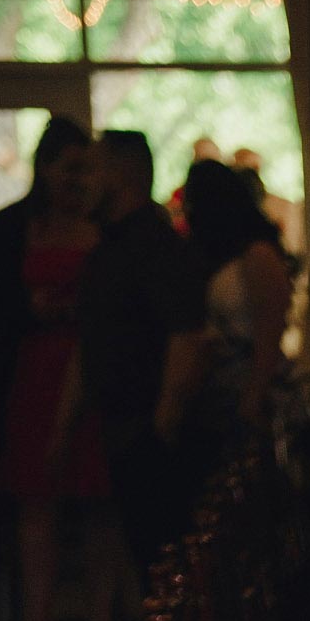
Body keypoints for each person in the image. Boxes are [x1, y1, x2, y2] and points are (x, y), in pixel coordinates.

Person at [0, 114, 117, 621]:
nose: (78, 181)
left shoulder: (107, 228)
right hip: (30, 376)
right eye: (69, 169)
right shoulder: (11, 226)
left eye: (87, 170)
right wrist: (30, 311)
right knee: (36, 503)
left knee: (99, 503)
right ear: (45, 169)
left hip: (93, 378)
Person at [70, 131, 209, 577]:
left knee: (166, 568)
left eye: (90, 170)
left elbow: (186, 338)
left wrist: (159, 431)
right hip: (123, 429)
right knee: (144, 561)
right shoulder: (107, 248)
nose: (81, 183)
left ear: (120, 174)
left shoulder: (155, 245)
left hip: (150, 433)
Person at [181, 157, 292, 441]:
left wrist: (255, 393)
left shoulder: (258, 255)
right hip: (222, 385)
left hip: (250, 384)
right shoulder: (223, 254)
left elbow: (271, 329)